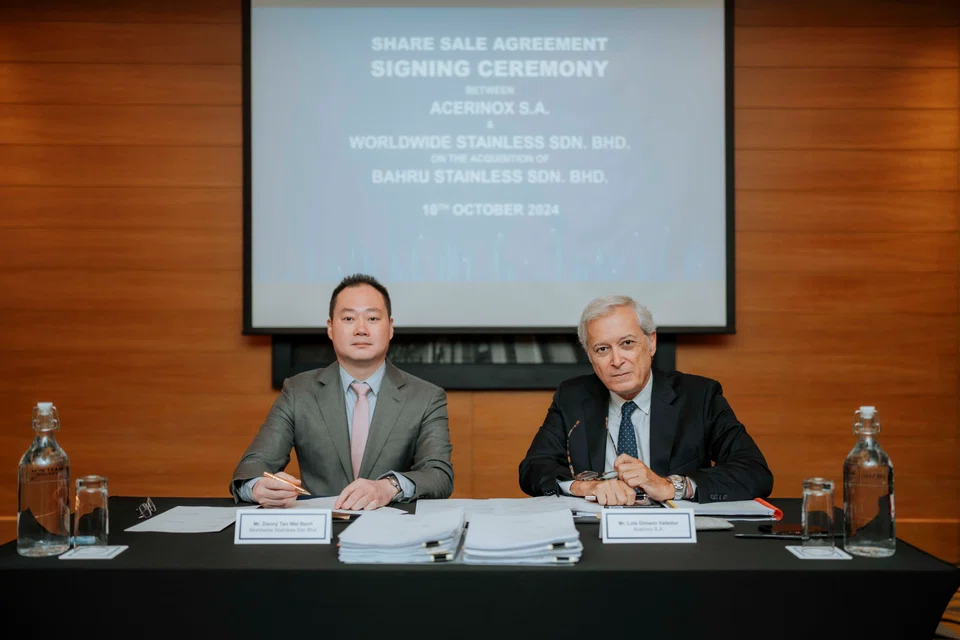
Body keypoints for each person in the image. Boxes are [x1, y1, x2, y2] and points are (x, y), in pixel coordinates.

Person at [519, 295, 773, 505]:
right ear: (590, 356)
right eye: (602, 349)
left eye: (627, 343)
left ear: (651, 343)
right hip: (595, 531)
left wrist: (671, 486)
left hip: (676, 538)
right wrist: (585, 486)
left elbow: (754, 472)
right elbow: (534, 468)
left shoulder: (699, 396)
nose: (617, 361)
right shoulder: (573, 397)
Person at [231, 274, 453, 509]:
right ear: (330, 328)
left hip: (391, 531)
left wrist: (388, 487)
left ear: (390, 327)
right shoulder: (298, 391)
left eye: (373, 318)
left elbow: (439, 475)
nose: (361, 329)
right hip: (318, 531)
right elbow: (254, 465)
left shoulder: (426, 397)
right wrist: (257, 487)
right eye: (348, 318)